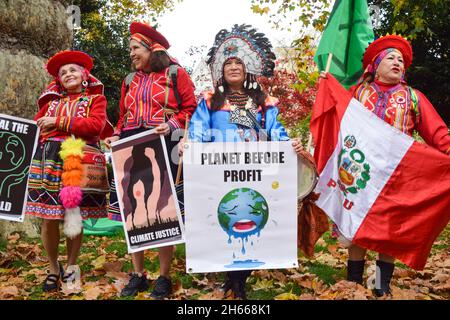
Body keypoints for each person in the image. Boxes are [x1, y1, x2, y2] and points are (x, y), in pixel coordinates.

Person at [179, 24, 305, 300]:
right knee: (225, 216)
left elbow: (275, 131)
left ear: (247, 68)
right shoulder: (210, 101)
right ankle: (233, 280)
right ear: (220, 71)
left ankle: (237, 280)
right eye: (228, 63)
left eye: (238, 62)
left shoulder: (263, 101)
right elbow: (200, 130)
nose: (233, 67)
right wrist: (191, 144)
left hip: (257, 171)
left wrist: (289, 144)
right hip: (219, 170)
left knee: (252, 216)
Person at [322, 34, 450, 297]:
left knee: (388, 231)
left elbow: (438, 134)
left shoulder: (413, 97)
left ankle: (381, 284)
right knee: (356, 227)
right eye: (390, 58)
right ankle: (354, 283)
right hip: (360, 172)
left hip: (396, 176)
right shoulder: (357, 93)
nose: (397, 62)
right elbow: (336, 113)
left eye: (401, 60)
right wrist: (327, 87)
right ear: (375, 65)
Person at [105, 21, 196, 299]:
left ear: (150, 48)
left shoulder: (175, 73)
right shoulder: (129, 81)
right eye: (129, 49)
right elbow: (122, 116)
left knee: (161, 209)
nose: (131, 54)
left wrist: (171, 126)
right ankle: (138, 275)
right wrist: (116, 134)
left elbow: (191, 109)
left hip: (162, 144)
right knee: (133, 210)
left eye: (135, 48)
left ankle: (164, 277)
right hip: (129, 147)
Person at [27, 50, 113, 292]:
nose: (68, 74)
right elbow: (35, 129)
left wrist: (58, 123)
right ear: (58, 81)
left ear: (84, 75)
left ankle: (72, 266)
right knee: (49, 217)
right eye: (63, 73)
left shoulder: (96, 100)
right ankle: (54, 269)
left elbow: (95, 126)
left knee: (74, 215)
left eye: (73, 70)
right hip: (50, 162)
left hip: (80, 160)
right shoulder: (50, 103)